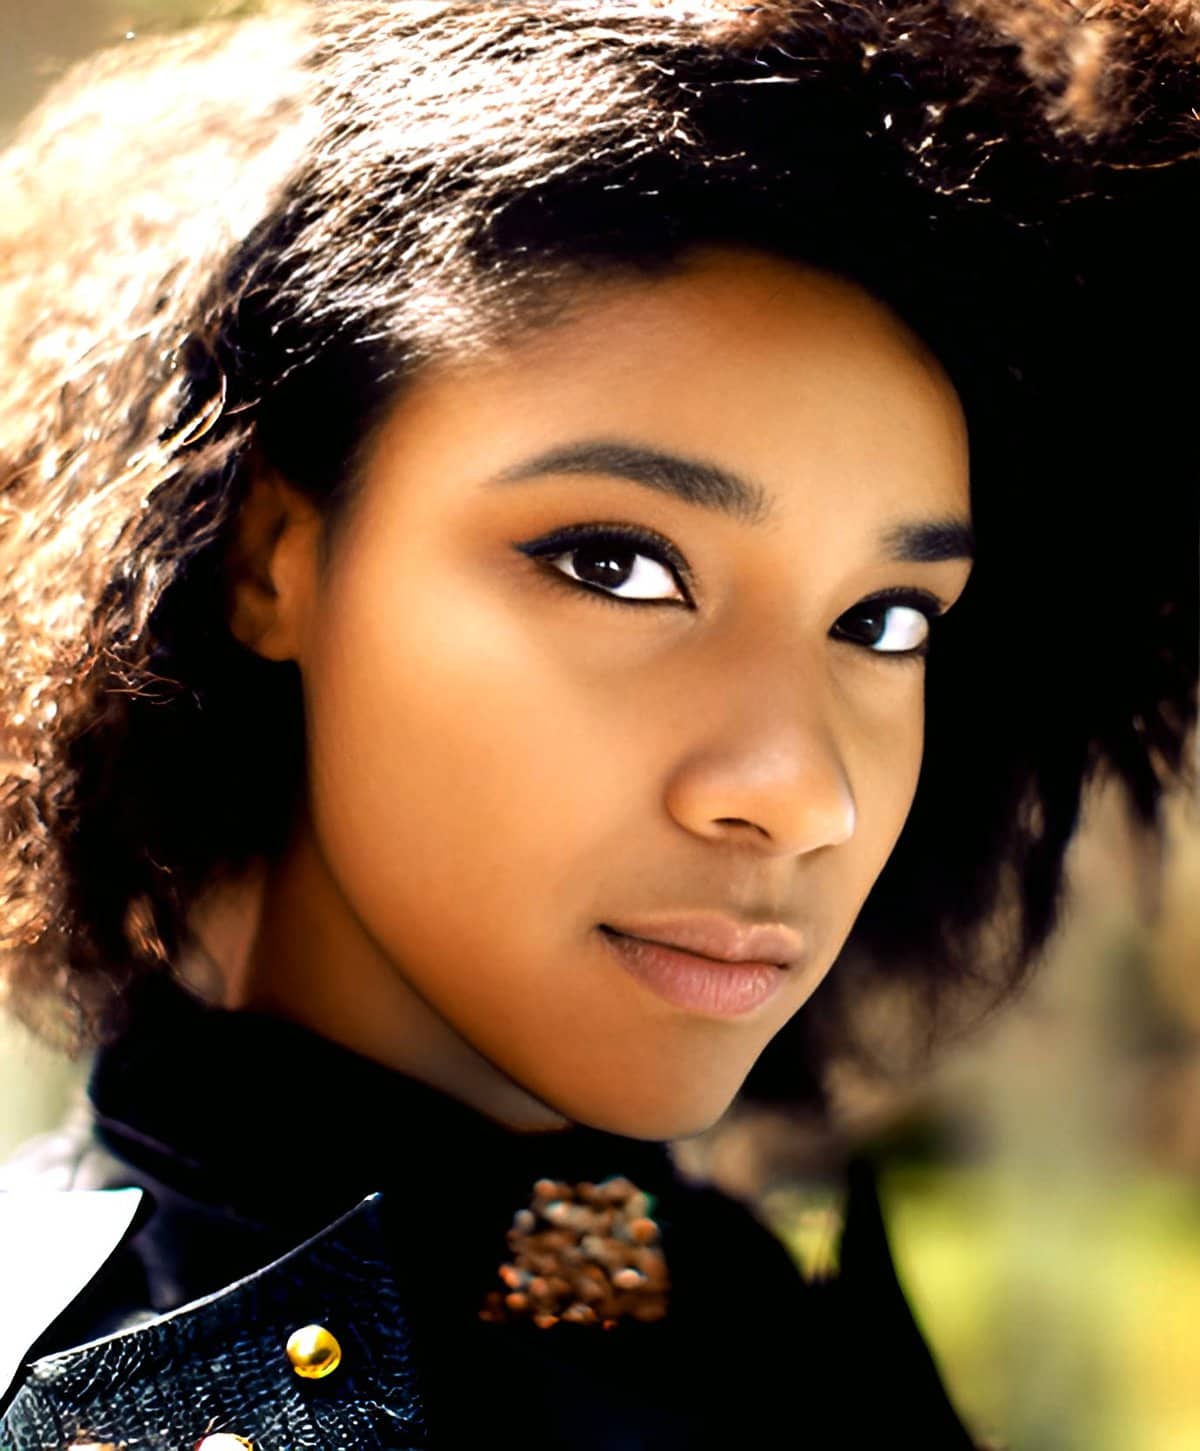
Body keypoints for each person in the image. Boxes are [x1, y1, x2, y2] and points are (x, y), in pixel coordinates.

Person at [0, 0, 1195, 1446]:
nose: (799, 789)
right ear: (271, 558)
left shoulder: (782, 1334)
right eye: (615, 566)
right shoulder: (100, 1397)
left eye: (885, 622)